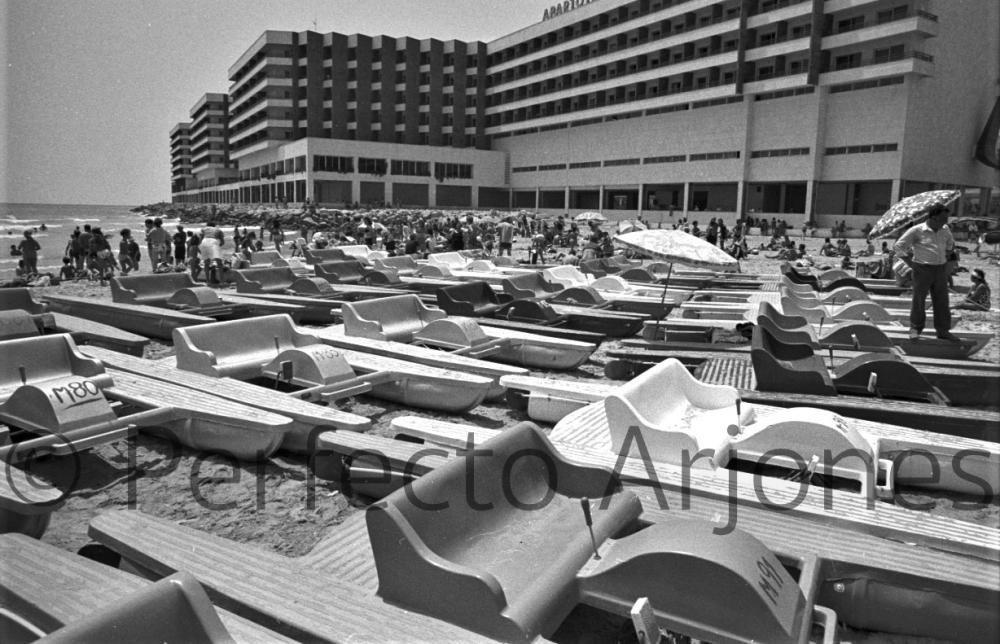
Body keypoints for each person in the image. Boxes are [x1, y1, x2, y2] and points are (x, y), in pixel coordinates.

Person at [893, 205, 958, 340]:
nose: (946, 221)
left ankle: (943, 330)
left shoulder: (945, 230)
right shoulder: (917, 230)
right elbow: (898, 246)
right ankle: (915, 328)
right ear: (933, 218)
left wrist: (948, 253)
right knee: (919, 300)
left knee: (942, 301)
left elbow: (951, 245)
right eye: (943, 218)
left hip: (940, 268)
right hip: (922, 268)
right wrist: (910, 263)